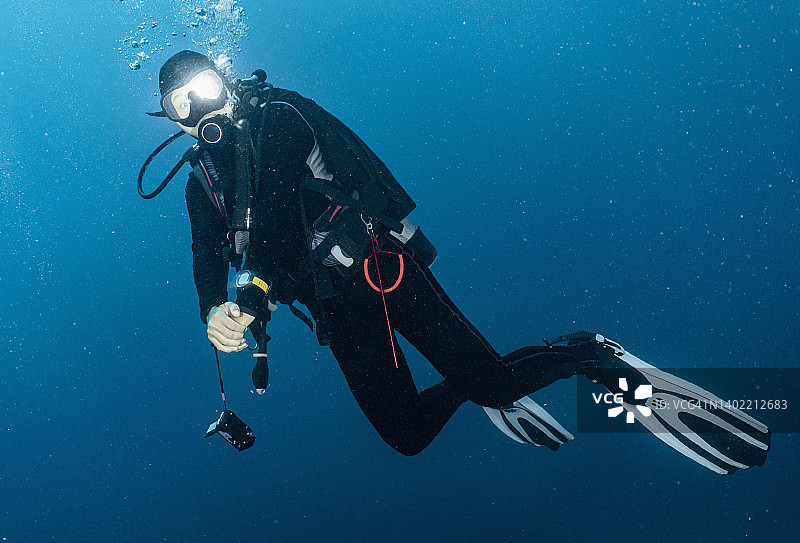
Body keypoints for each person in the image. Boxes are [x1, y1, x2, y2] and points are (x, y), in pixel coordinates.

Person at [141, 50, 771, 474]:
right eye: (180, 108)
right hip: (334, 308)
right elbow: (204, 250)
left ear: (225, 84)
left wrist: (251, 294)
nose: (199, 113)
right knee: (405, 436)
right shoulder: (202, 179)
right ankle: (482, 382)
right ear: (171, 120)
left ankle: (586, 353)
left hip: (381, 269)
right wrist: (211, 311)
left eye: (202, 92)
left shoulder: (279, 117)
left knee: (492, 383)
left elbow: (276, 221)